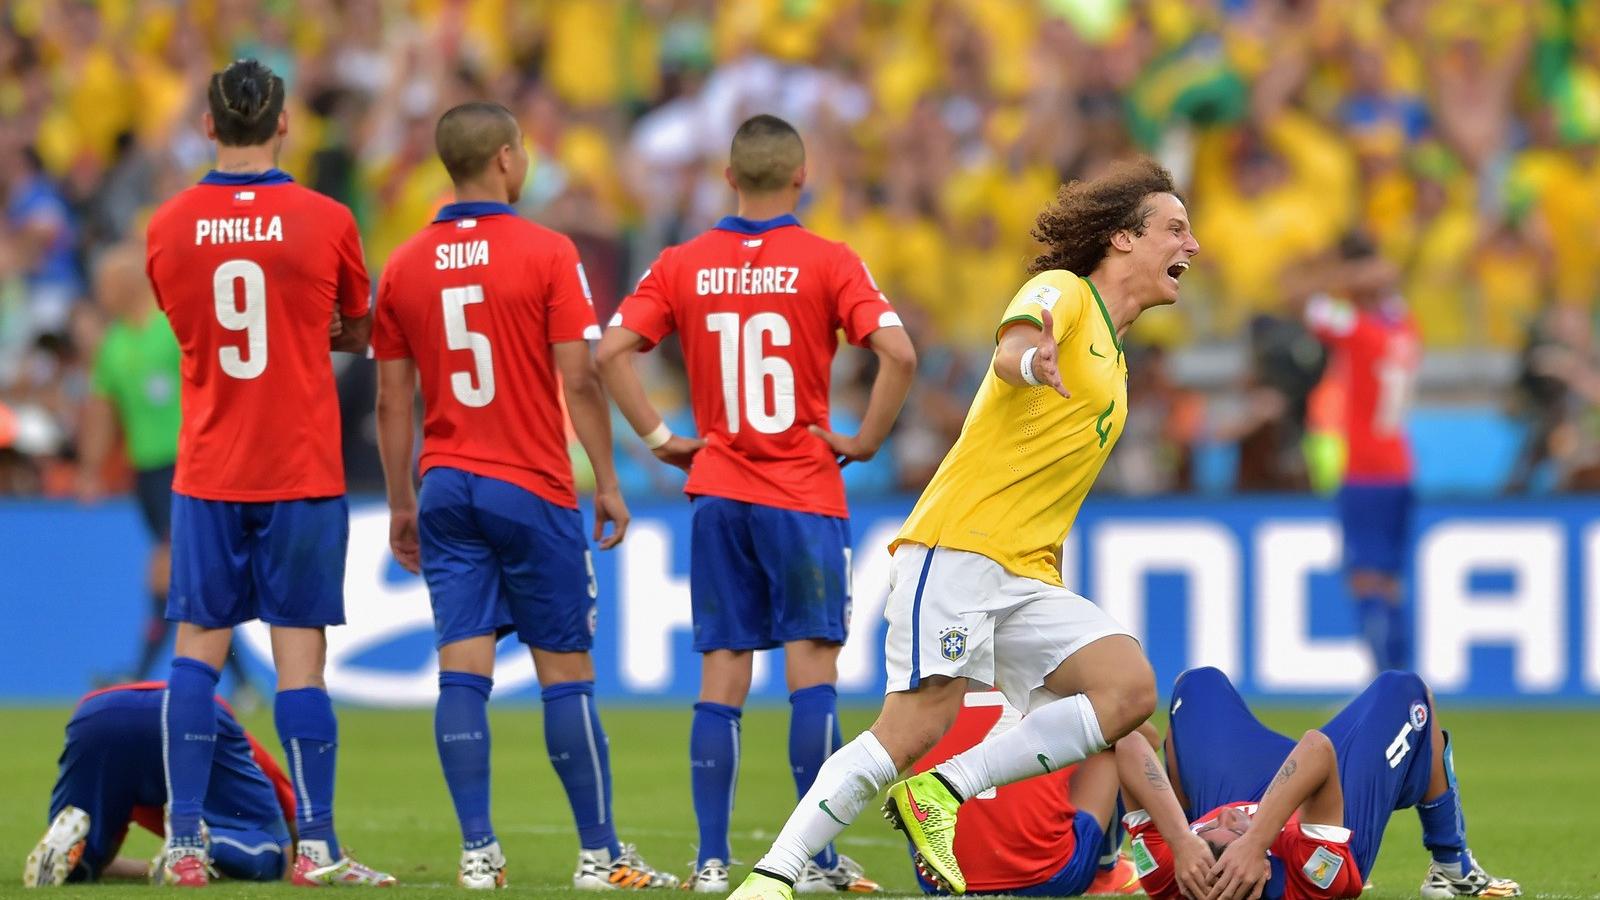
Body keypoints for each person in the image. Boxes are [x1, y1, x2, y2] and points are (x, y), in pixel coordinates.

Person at [726, 157, 1198, 900]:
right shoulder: (1070, 296)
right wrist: (1028, 363)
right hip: (960, 551)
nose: (1192, 245)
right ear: (1122, 241)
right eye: (1175, 228)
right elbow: (1016, 341)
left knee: (1127, 688)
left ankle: (943, 790)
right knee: (909, 728)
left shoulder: (1116, 355)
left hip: (1024, 574)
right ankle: (773, 875)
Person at [596, 114, 916, 893]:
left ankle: (711, 863)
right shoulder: (829, 260)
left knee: (722, 675)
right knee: (812, 676)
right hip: (804, 491)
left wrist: (662, 437)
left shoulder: (684, 262)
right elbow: (899, 354)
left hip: (719, 491)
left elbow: (610, 352)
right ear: (801, 178)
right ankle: (817, 861)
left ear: (729, 178)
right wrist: (866, 440)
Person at [372, 101, 676, 892]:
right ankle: (600, 854)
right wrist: (607, 482)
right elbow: (577, 376)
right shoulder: (546, 250)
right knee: (565, 671)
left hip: (444, 485)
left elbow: (390, 400)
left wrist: (402, 501)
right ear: (506, 159)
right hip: (530, 486)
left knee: (461, 673)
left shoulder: (403, 264)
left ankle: (478, 853)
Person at [143, 59, 392, 887]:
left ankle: (181, 844)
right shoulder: (327, 219)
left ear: (207, 127)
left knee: (194, 655)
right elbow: (355, 331)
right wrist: (299, 328)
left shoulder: (168, 225)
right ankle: (316, 846)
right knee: (300, 662)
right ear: (285, 123)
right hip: (302, 466)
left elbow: (189, 328)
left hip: (210, 466)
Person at [1120, 667, 1522, 900]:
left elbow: (1128, 743)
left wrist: (1180, 838)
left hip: (1244, 785)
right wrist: (1256, 839)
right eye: (1231, 832)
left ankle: (1118, 861)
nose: (1225, 816)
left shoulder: (1172, 873)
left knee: (1197, 685)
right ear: (1259, 874)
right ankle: (1451, 866)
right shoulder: (1313, 876)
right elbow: (1316, 749)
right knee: (1406, 691)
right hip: (1325, 812)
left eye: (1208, 828)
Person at [76, 244, 256, 701]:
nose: (101, 294)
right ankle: (241, 683)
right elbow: (102, 409)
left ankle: (138, 674)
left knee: (168, 568)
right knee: (185, 575)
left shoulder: (172, 328)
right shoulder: (114, 345)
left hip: (189, 464)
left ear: (129, 282)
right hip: (147, 474)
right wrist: (91, 469)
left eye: (106, 285)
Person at [23, 682, 295, 887]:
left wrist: (151, 868)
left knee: (91, 855)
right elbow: (292, 830)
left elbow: (109, 861)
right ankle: (200, 844)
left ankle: (73, 857)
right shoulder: (249, 753)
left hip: (96, 716)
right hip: (195, 717)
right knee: (276, 854)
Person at [1303, 233, 1420, 672]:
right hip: (1400, 465)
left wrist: (1342, 277)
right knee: (1389, 580)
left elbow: (1312, 307)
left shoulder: (1360, 332)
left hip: (1367, 469)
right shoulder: (1404, 330)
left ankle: (1385, 679)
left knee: (1365, 578)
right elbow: (1391, 298)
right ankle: (1403, 673)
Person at [904, 691, 1140, 897]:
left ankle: (938, 852)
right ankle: (1106, 871)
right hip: (1052, 874)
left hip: (938, 880)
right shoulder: (1057, 674)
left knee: (913, 746)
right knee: (1109, 738)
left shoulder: (935, 679)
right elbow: (1134, 733)